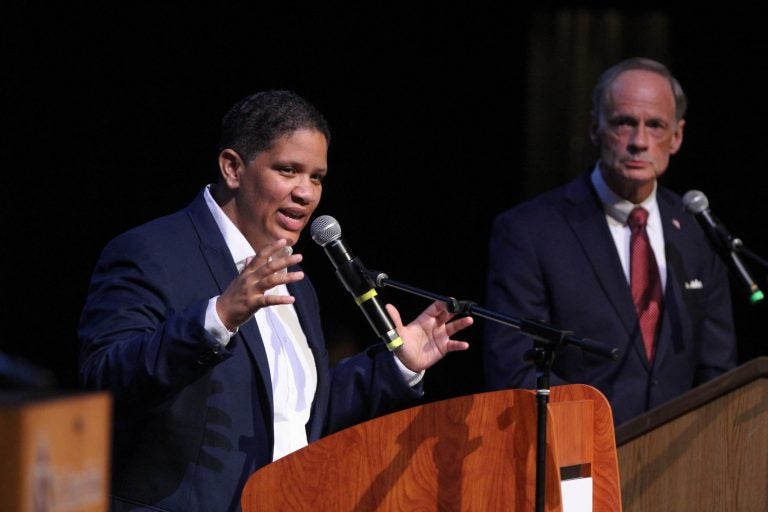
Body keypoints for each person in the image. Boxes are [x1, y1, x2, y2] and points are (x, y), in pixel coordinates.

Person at [78, 90, 472, 511]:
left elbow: (297, 415)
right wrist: (217, 318)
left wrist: (396, 366)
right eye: (288, 170)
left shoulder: (295, 280)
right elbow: (103, 383)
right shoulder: (151, 252)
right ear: (232, 168)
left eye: (317, 177)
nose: (307, 193)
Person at [483, 57, 737, 426]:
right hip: (578, 461)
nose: (639, 142)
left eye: (655, 125)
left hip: (683, 467)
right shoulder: (529, 231)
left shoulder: (697, 231)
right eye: (624, 123)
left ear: (677, 136)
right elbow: (516, 370)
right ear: (594, 128)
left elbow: (718, 370)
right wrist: (599, 444)